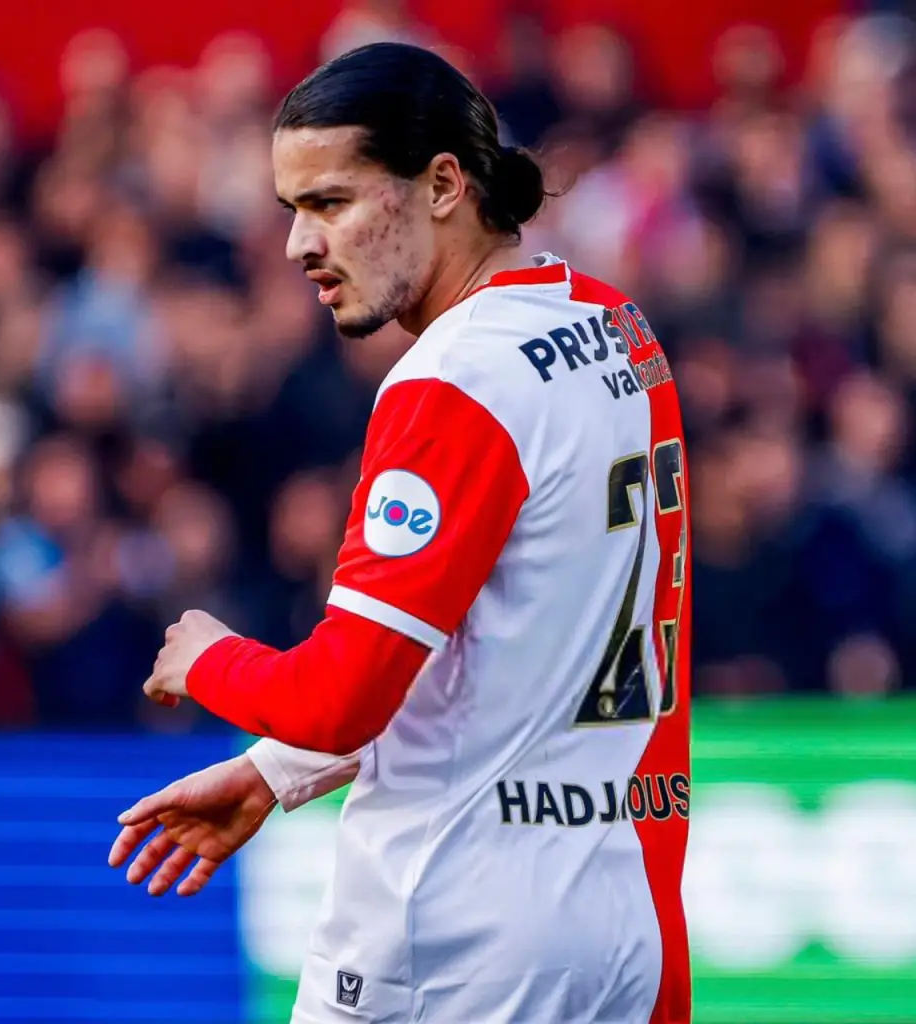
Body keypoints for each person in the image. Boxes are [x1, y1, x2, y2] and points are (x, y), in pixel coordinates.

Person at [108, 42, 692, 1023]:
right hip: (623, 921)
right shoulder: (614, 325)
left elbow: (340, 697)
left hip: (456, 935)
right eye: (291, 209)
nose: (299, 244)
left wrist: (207, 658)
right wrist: (273, 771)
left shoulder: (450, 382)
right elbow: (499, 643)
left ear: (441, 185)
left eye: (329, 203)